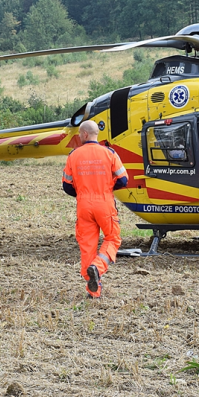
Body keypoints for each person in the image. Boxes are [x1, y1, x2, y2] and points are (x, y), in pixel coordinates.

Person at [62, 120, 128, 299]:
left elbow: (66, 186)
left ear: (84, 134)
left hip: (83, 205)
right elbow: (123, 180)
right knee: (113, 239)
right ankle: (98, 268)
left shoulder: (73, 155)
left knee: (87, 246)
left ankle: (93, 291)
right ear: (95, 134)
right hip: (104, 203)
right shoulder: (109, 153)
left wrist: (83, 192)